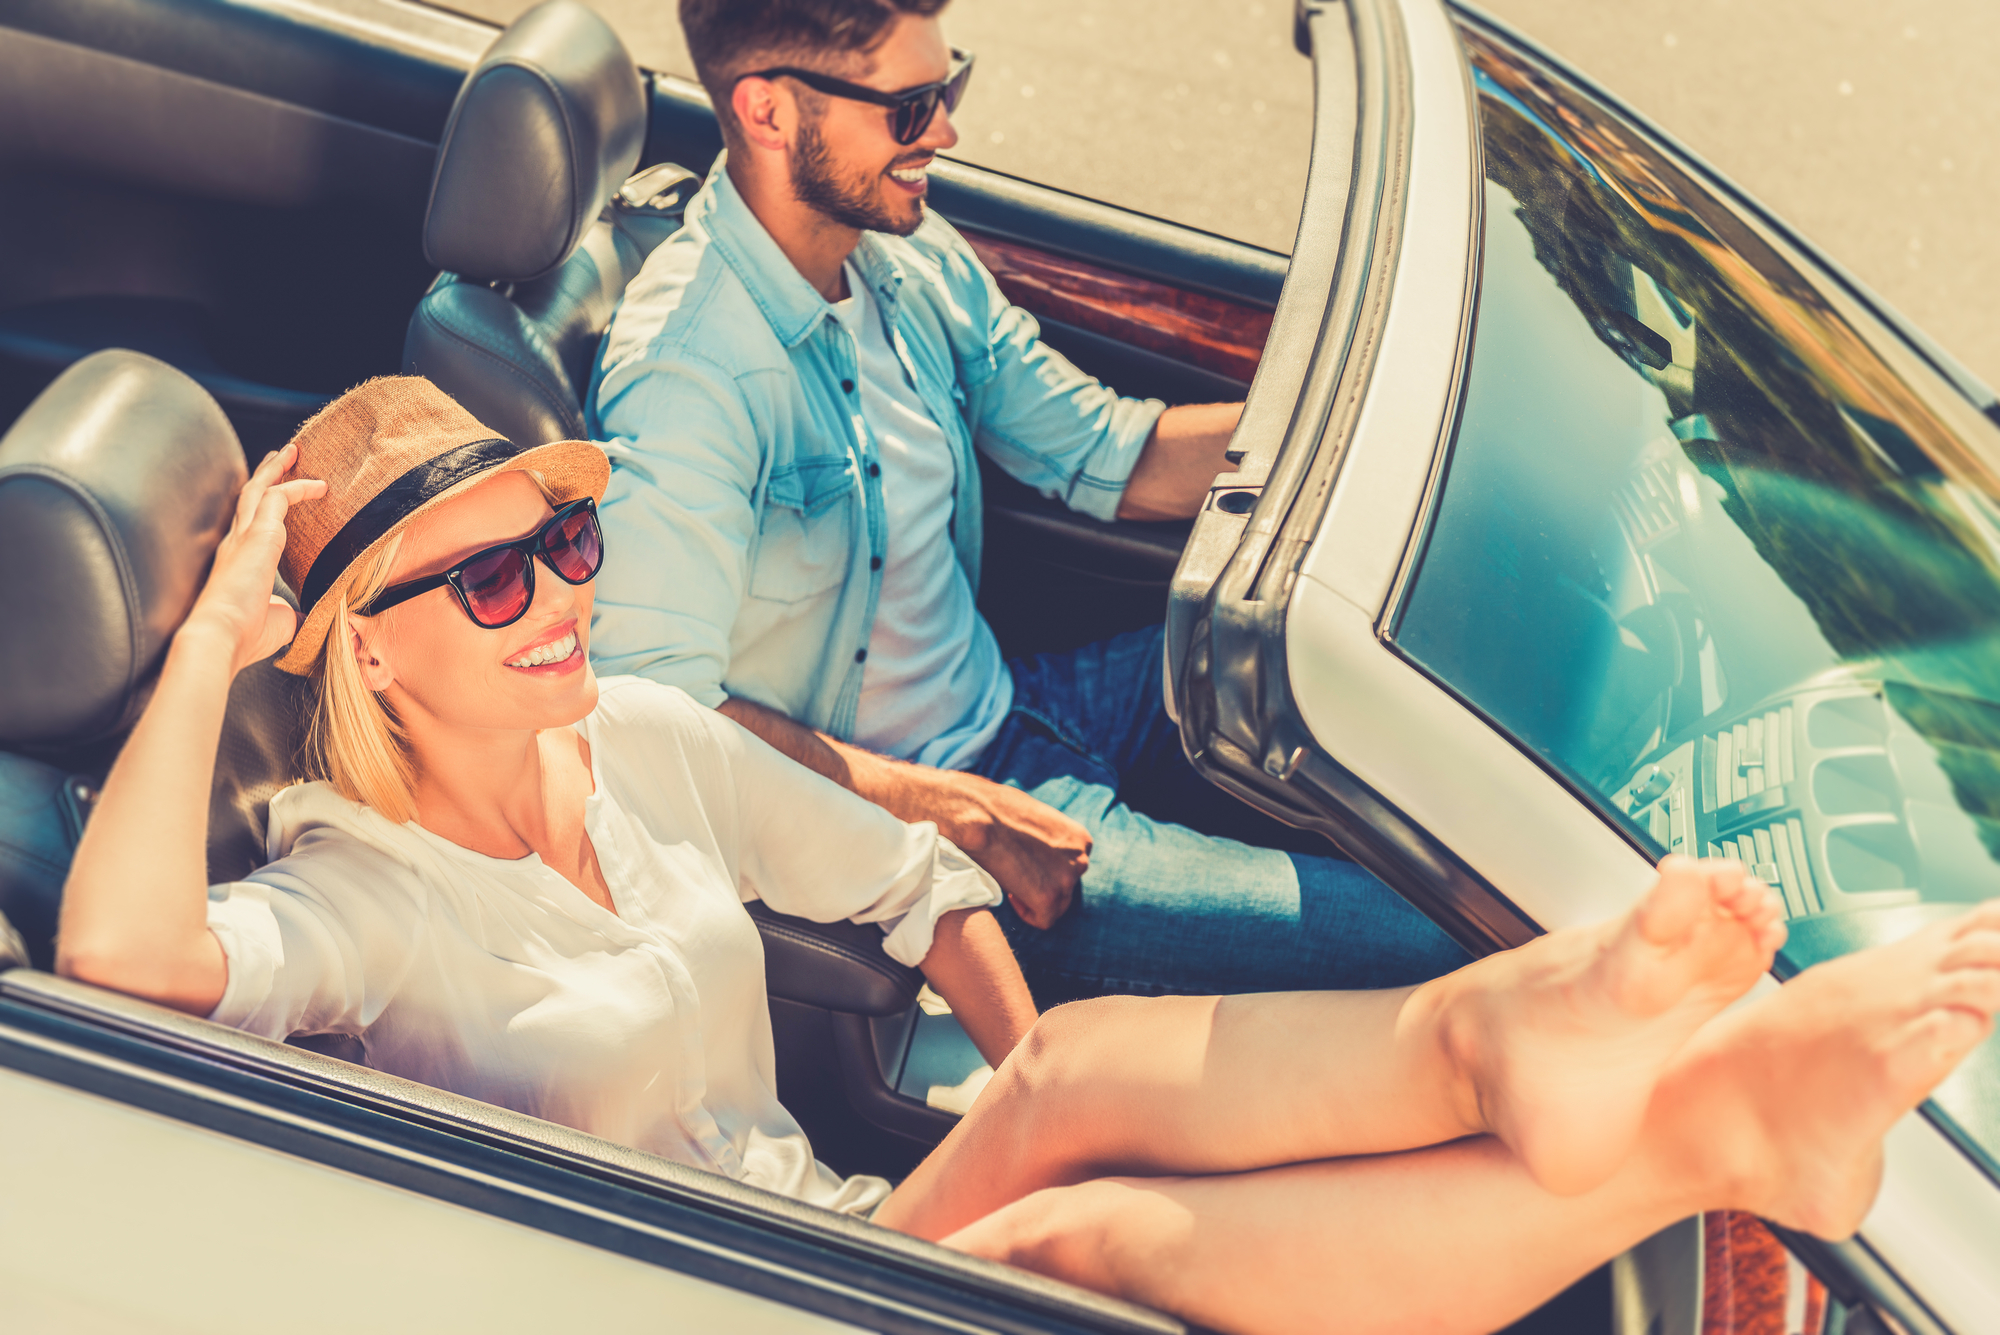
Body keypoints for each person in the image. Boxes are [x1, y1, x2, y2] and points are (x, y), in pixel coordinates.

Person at [57, 378, 2000, 1335]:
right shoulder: (355, 901)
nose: (567, 593)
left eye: (566, 543)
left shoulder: (628, 736)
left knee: (1069, 1070)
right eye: (493, 575)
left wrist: (990, 1076)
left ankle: (1554, 1052)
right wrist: (218, 628)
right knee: (1073, 1230)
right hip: (683, 1286)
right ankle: (1708, 1124)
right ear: (364, 646)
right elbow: (125, 965)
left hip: (812, 1217)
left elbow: (916, 884)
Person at [586, 0, 1468, 1007]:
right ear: (769, 113)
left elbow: (1105, 452)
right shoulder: (691, 377)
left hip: (1022, 704)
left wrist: (1375, 419)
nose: (947, 134)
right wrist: (957, 817)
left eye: (946, 86)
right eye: (911, 108)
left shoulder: (902, 257)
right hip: (933, 840)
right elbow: (655, 720)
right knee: (1426, 942)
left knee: (1382, 654)